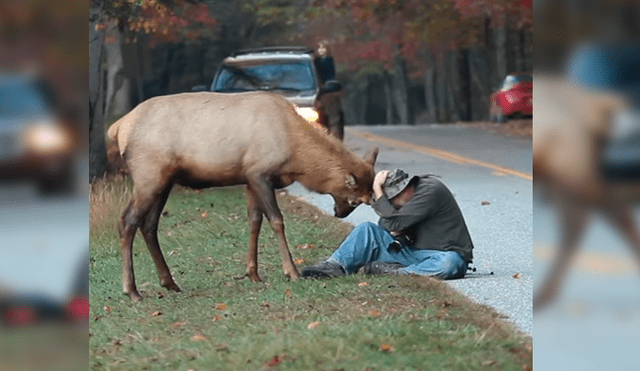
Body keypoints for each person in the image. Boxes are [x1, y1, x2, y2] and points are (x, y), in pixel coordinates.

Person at [301, 168, 474, 279]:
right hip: (407, 253)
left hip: (440, 254)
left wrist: (377, 188)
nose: (389, 205)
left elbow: (394, 224)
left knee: (450, 263)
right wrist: (396, 232)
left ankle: (396, 272)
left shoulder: (430, 190)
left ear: (405, 191)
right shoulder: (398, 205)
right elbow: (386, 228)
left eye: (390, 200)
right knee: (366, 230)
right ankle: (335, 265)